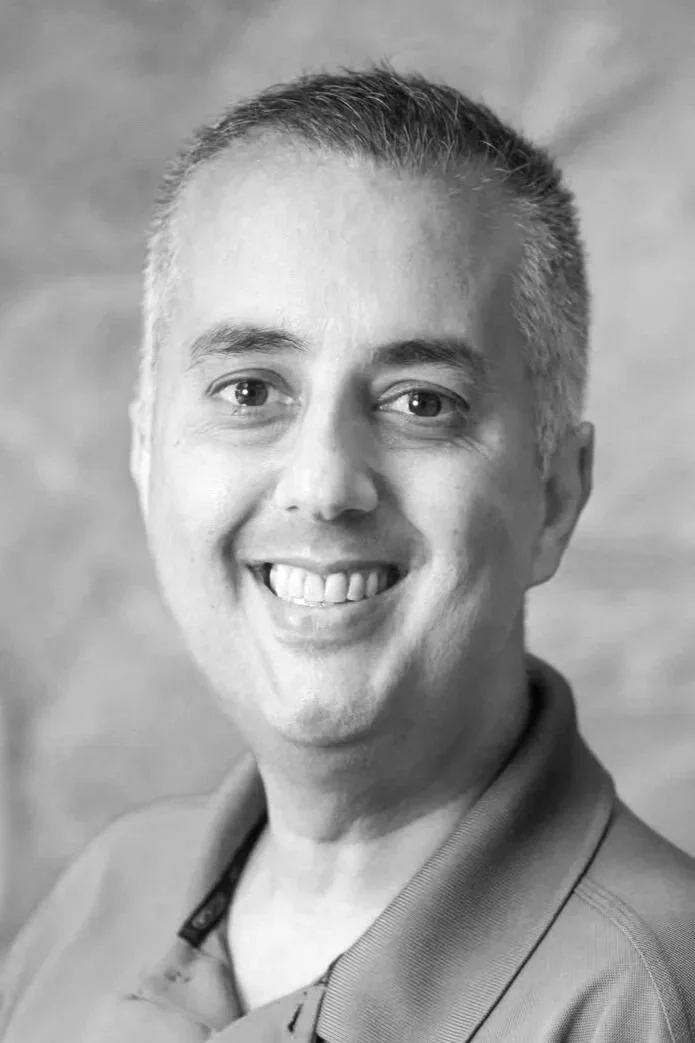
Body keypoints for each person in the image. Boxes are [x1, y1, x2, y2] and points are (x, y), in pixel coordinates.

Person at [1, 64, 693, 1043]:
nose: (324, 484)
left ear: (554, 495)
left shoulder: (652, 997)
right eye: (249, 391)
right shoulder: (105, 893)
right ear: (145, 452)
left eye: (421, 402)